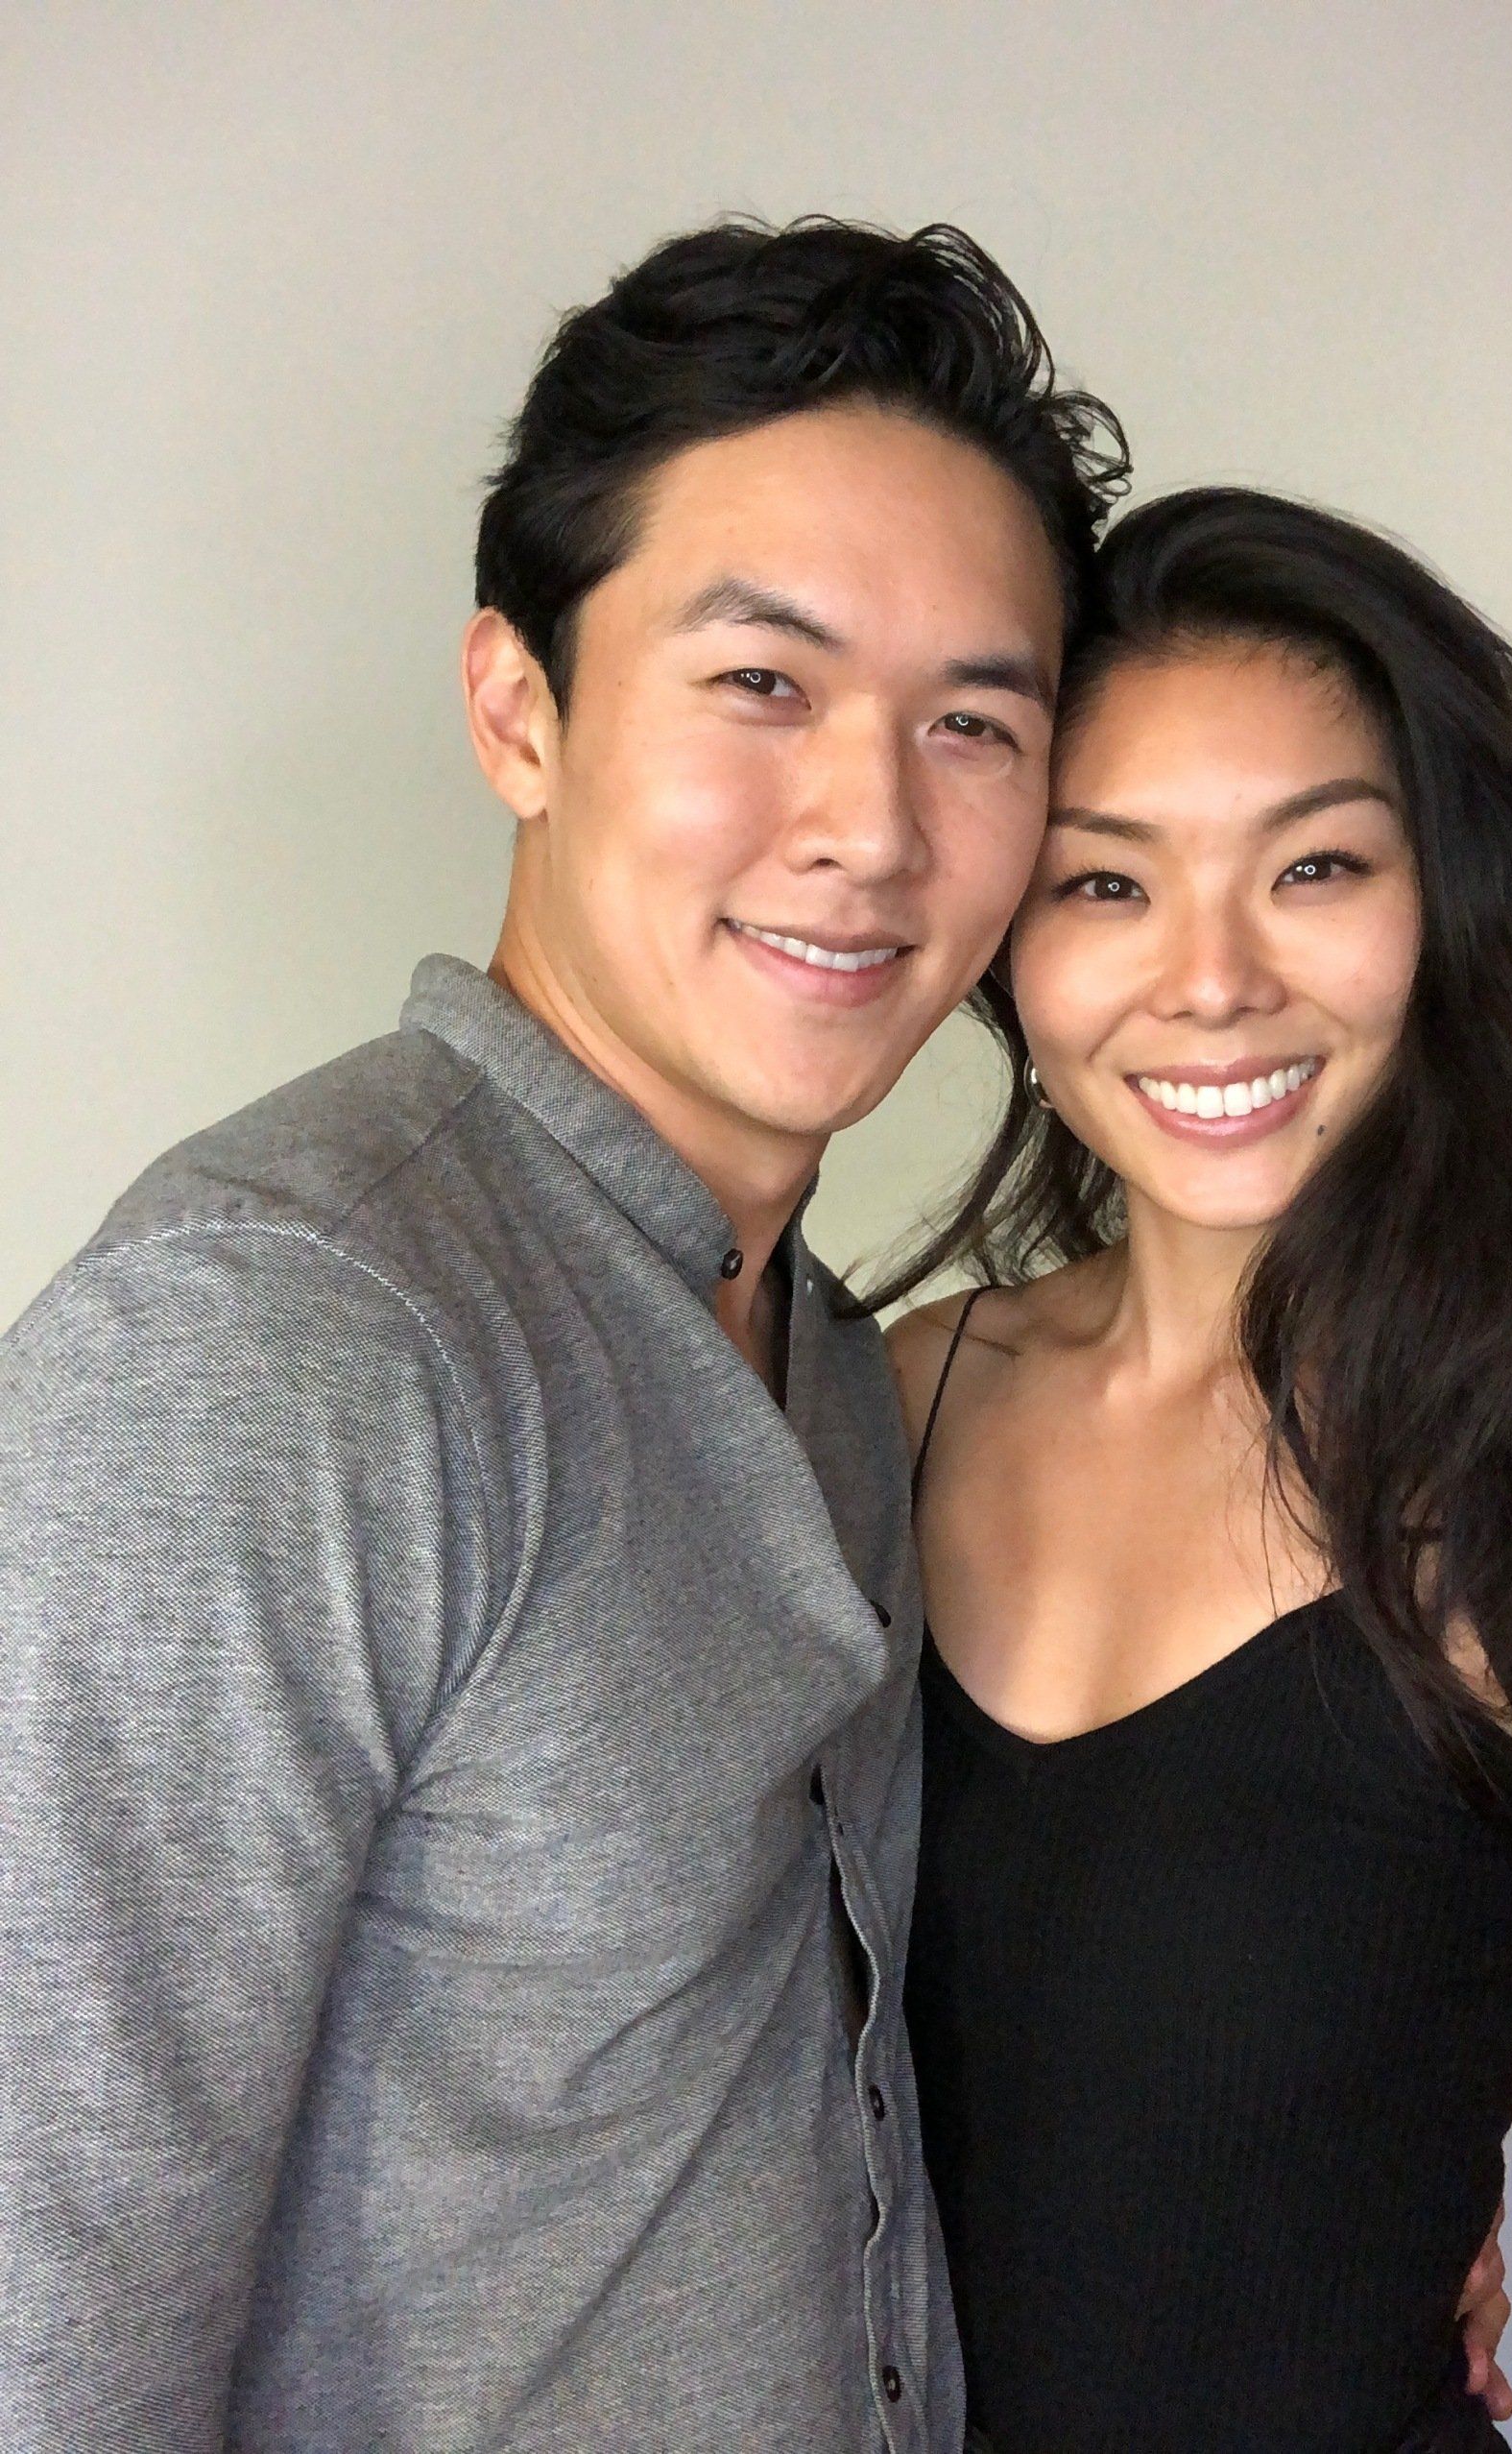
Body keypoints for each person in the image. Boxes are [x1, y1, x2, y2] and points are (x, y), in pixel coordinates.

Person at [0, 215, 1120, 2454]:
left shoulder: (831, 1362)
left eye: (973, 724)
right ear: (521, 712)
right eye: (764, 683)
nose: (874, 826)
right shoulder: (289, 1333)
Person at [886, 488, 1512, 2453]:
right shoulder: (889, 1402)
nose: (1212, 978)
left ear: (1449, 909)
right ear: (1005, 942)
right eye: (1106, 882)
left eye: (1314, 866)